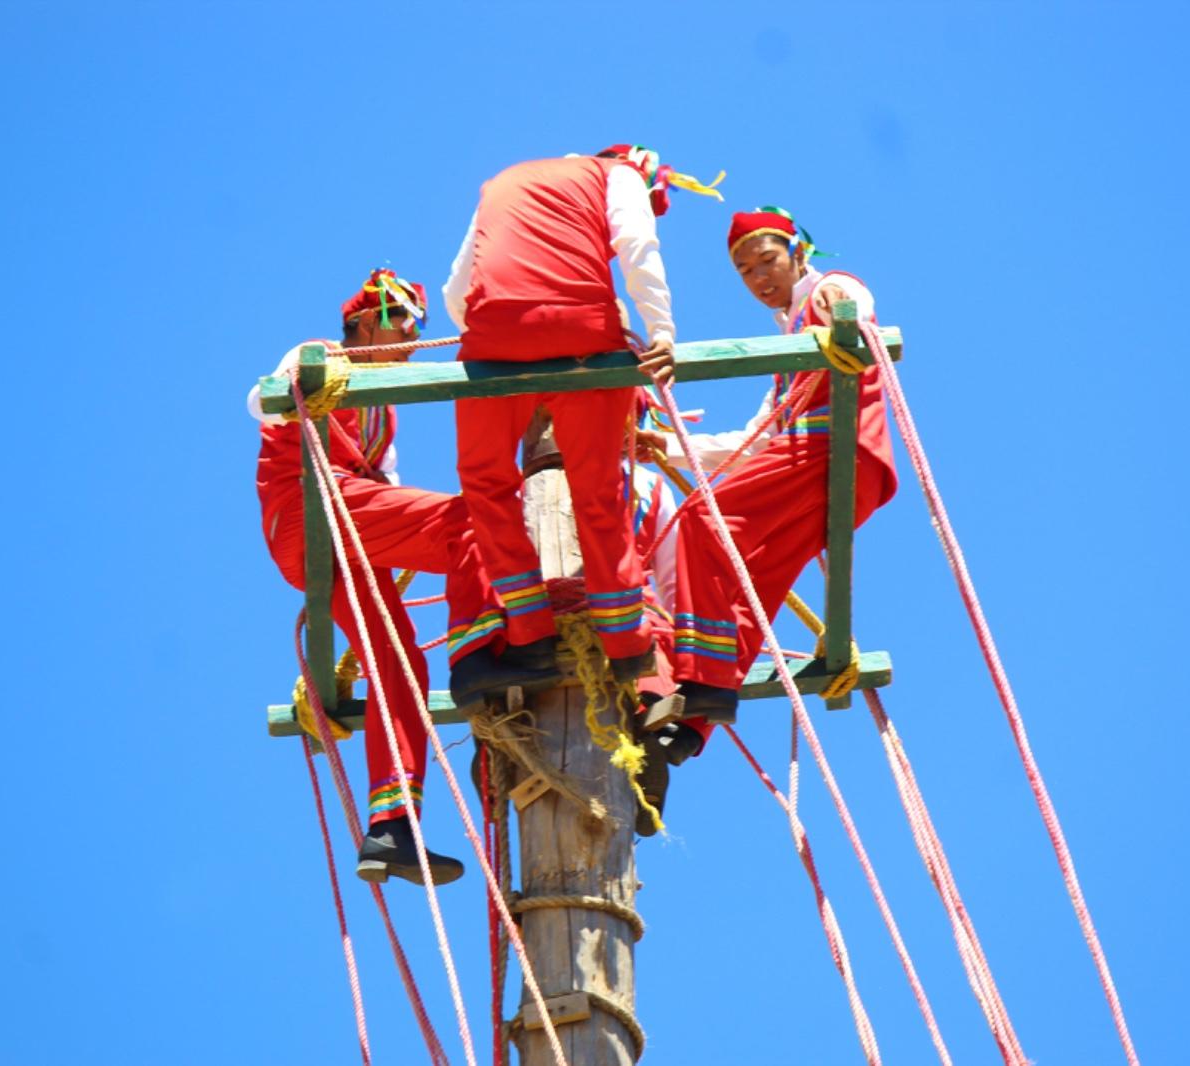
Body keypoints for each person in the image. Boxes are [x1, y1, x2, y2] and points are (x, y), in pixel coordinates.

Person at [250, 269, 553, 886]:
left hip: (335, 530)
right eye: (403, 319)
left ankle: (392, 827)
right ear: (367, 321)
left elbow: (383, 487)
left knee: (399, 664)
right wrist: (307, 378)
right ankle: (479, 649)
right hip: (313, 505)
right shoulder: (327, 358)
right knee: (472, 520)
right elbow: (263, 401)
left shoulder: (382, 406)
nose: (416, 333)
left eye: (418, 321)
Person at [442, 145, 720, 691]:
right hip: (582, 331)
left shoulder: (502, 178)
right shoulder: (619, 176)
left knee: (485, 483)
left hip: (493, 332)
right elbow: (637, 246)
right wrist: (662, 332)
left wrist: (493, 340)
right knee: (598, 488)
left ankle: (529, 632)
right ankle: (625, 641)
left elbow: (459, 284)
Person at [644, 207, 899, 728]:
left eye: (767, 261)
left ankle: (702, 679)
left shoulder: (826, 292)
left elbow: (852, 300)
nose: (759, 278)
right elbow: (753, 441)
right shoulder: (790, 355)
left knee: (700, 519)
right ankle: (690, 728)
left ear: (797, 254)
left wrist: (842, 299)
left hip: (830, 450)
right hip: (837, 472)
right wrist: (666, 446)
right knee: (750, 583)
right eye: (745, 271)